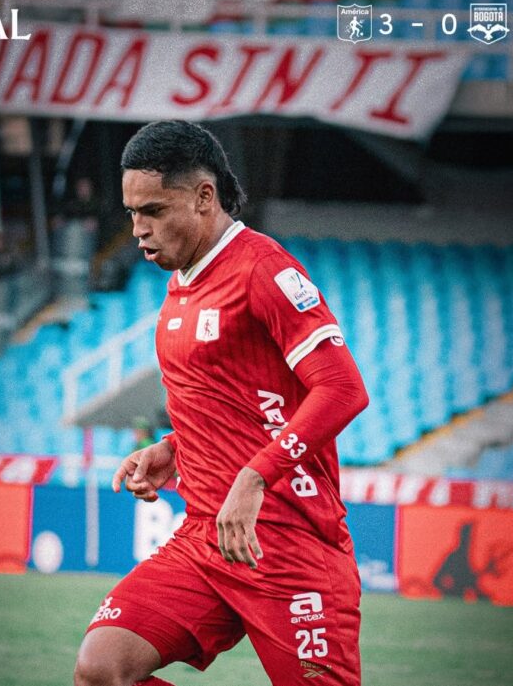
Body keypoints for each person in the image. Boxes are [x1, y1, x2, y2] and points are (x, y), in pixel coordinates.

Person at [74, 121, 369, 686]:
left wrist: (254, 477)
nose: (138, 229)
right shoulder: (181, 285)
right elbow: (235, 403)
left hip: (289, 544)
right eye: (132, 213)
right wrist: (173, 447)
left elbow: (343, 389)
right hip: (204, 541)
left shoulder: (264, 269)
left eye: (154, 211)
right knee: (102, 669)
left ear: (204, 197)